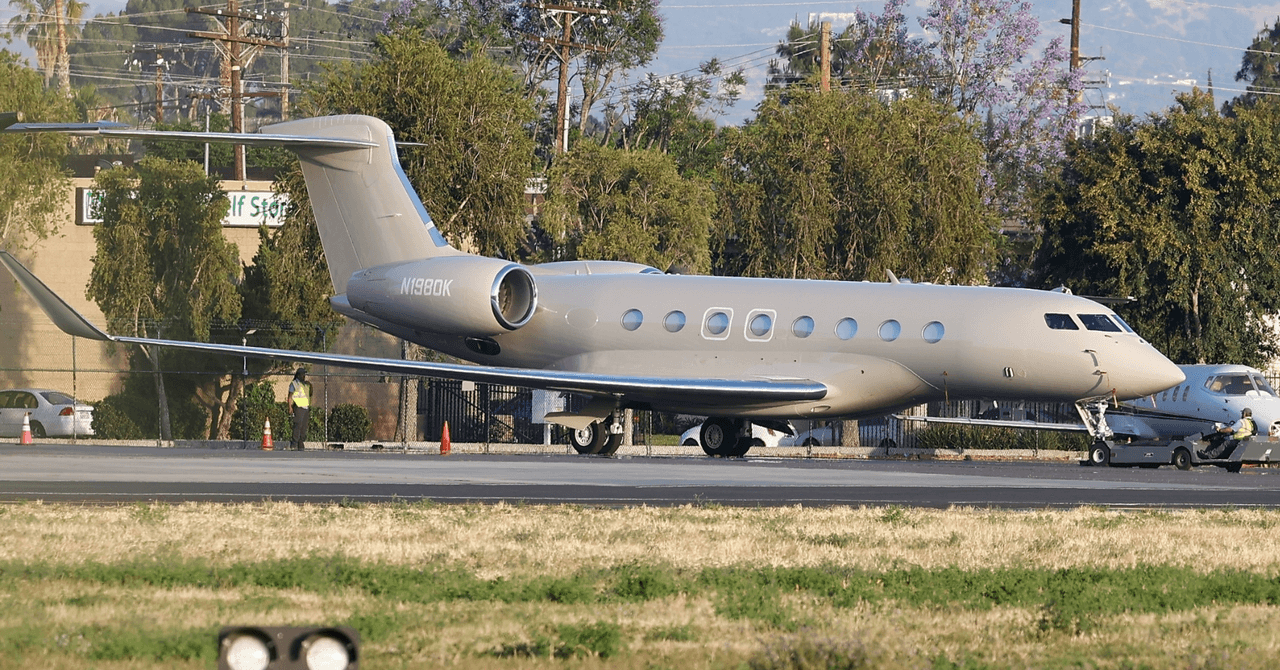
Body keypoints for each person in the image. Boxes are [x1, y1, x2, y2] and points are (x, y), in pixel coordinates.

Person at [287, 368, 312, 451]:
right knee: (297, 425)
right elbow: (290, 396)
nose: (304, 376)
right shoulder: (294, 384)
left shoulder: (306, 384)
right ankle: (294, 443)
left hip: (306, 408)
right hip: (298, 407)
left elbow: (310, 393)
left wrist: (310, 385)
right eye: (302, 374)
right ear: (298, 375)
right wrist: (290, 407)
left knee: (304, 426)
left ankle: (301, 442)